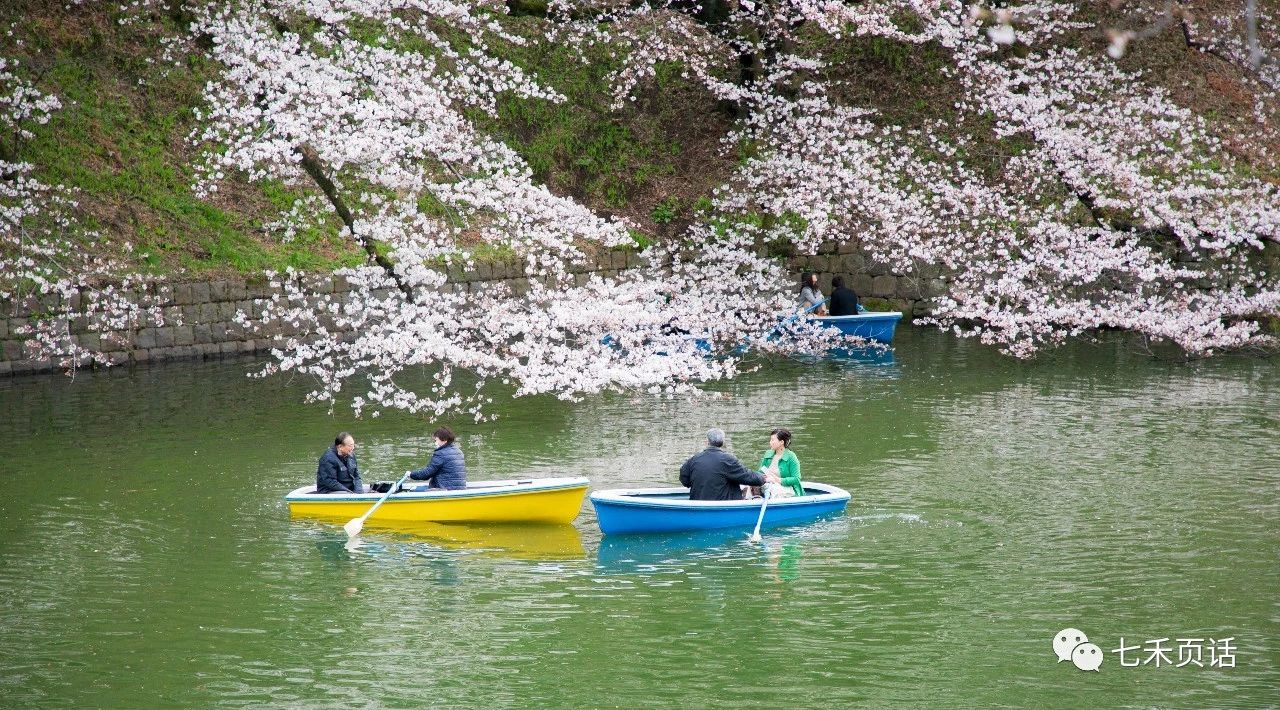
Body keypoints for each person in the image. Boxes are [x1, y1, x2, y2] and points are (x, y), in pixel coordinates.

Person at [679, 428, 765, 501]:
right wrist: (762, 478)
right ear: (722, 442)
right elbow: (748, 477)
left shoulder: (693, 459)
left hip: (697, 505)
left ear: (707, 442)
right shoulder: (728, 460)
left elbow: (685, 481)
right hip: (722, 505)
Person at [758, 428, 804, 498]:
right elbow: (760, 472)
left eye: (772, 440)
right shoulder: (768, 453)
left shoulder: (791, 457)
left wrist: (777, 480)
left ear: (781, 442)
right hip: (768, 485)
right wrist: (763, 478)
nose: (770, 442)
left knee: (773, 490)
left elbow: (796, 479)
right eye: (770, 440)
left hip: (786, 489)